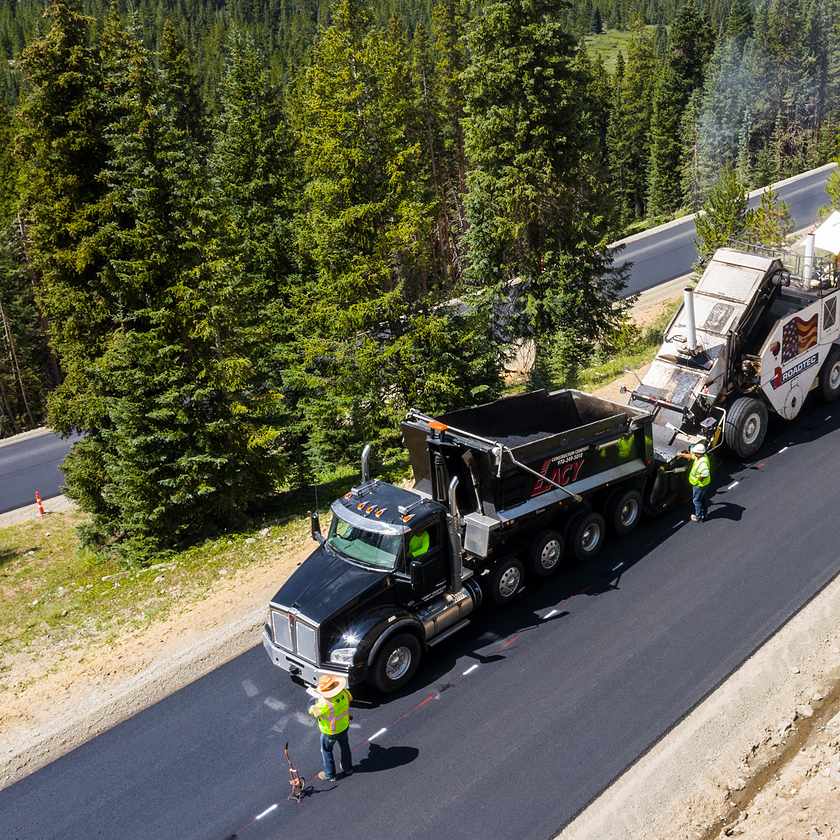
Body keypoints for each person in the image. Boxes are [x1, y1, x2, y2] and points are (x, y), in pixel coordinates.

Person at [307, 674, 353, 781]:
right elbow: (350, 699)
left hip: (330, 732)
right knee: (345, 747)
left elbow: (312, 711)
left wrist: (313, 702)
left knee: (326, 750)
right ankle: (348, 768)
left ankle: (330, 774)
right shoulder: (344, 693)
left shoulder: (324, 703)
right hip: (344, 726)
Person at [680, 441, 711, 521]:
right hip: (704, 484)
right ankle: (705, 514)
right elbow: (692, 456)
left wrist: (698, 480)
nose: (694, 453)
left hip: (699, 485)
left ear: (699, 453)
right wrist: (682, 455)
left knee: (696, 500)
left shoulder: (702, 463)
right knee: (703, 498)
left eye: (695, 452)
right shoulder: (701, 456)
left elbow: (705, 473)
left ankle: (698, 517)